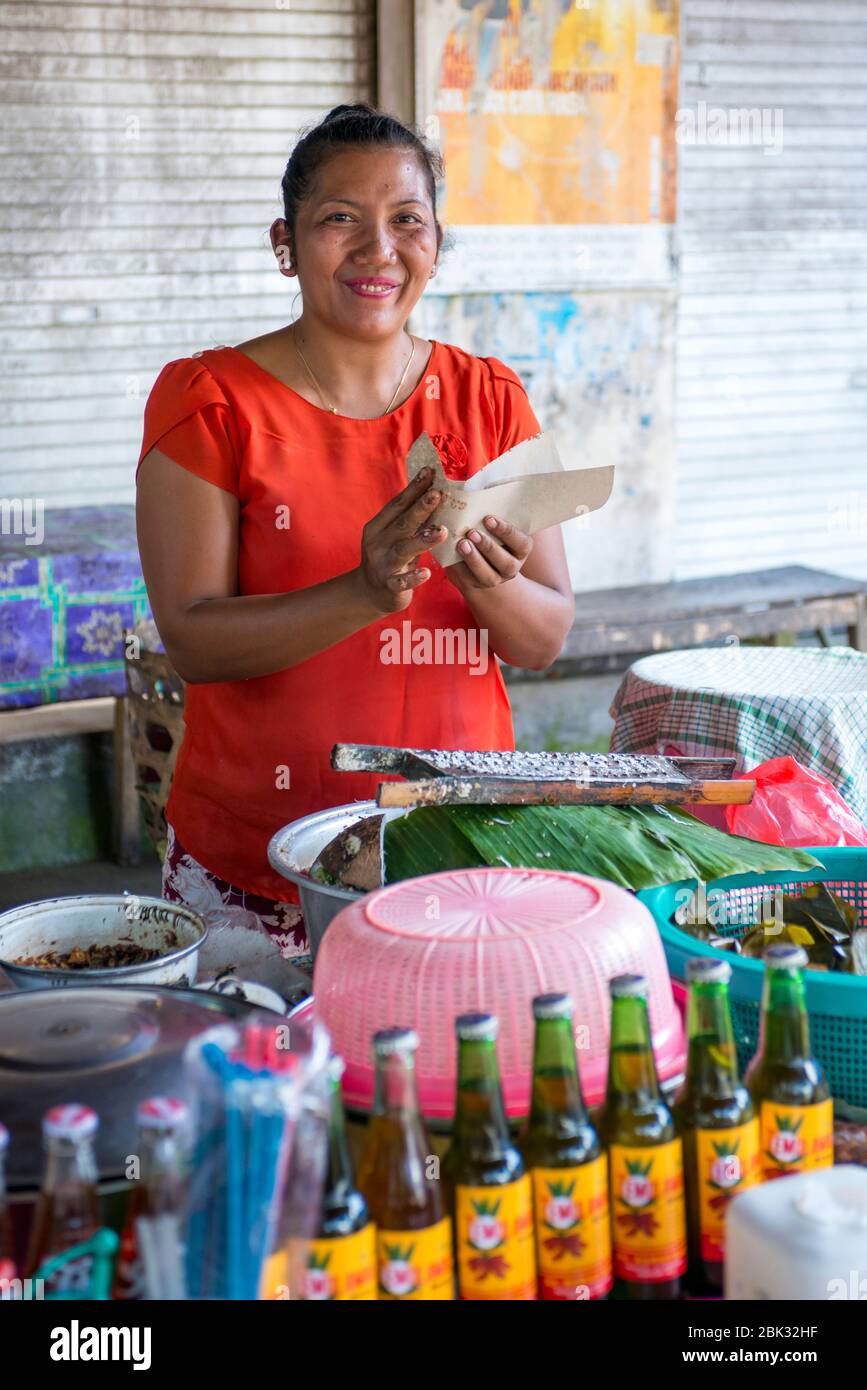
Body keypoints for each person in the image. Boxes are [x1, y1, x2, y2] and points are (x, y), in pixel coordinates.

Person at [135, 104, 574, 953]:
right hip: (259, 863)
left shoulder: (490, 399)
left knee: (444, 1079)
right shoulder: (208, 400)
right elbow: (192, 638)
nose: (378, 249)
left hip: (455, 846)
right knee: (267, 1077)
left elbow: (545, 635)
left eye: (406, 220)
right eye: (340, 218)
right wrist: (364, 590)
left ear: (435, 244)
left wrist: (486, 580)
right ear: (285, 243)